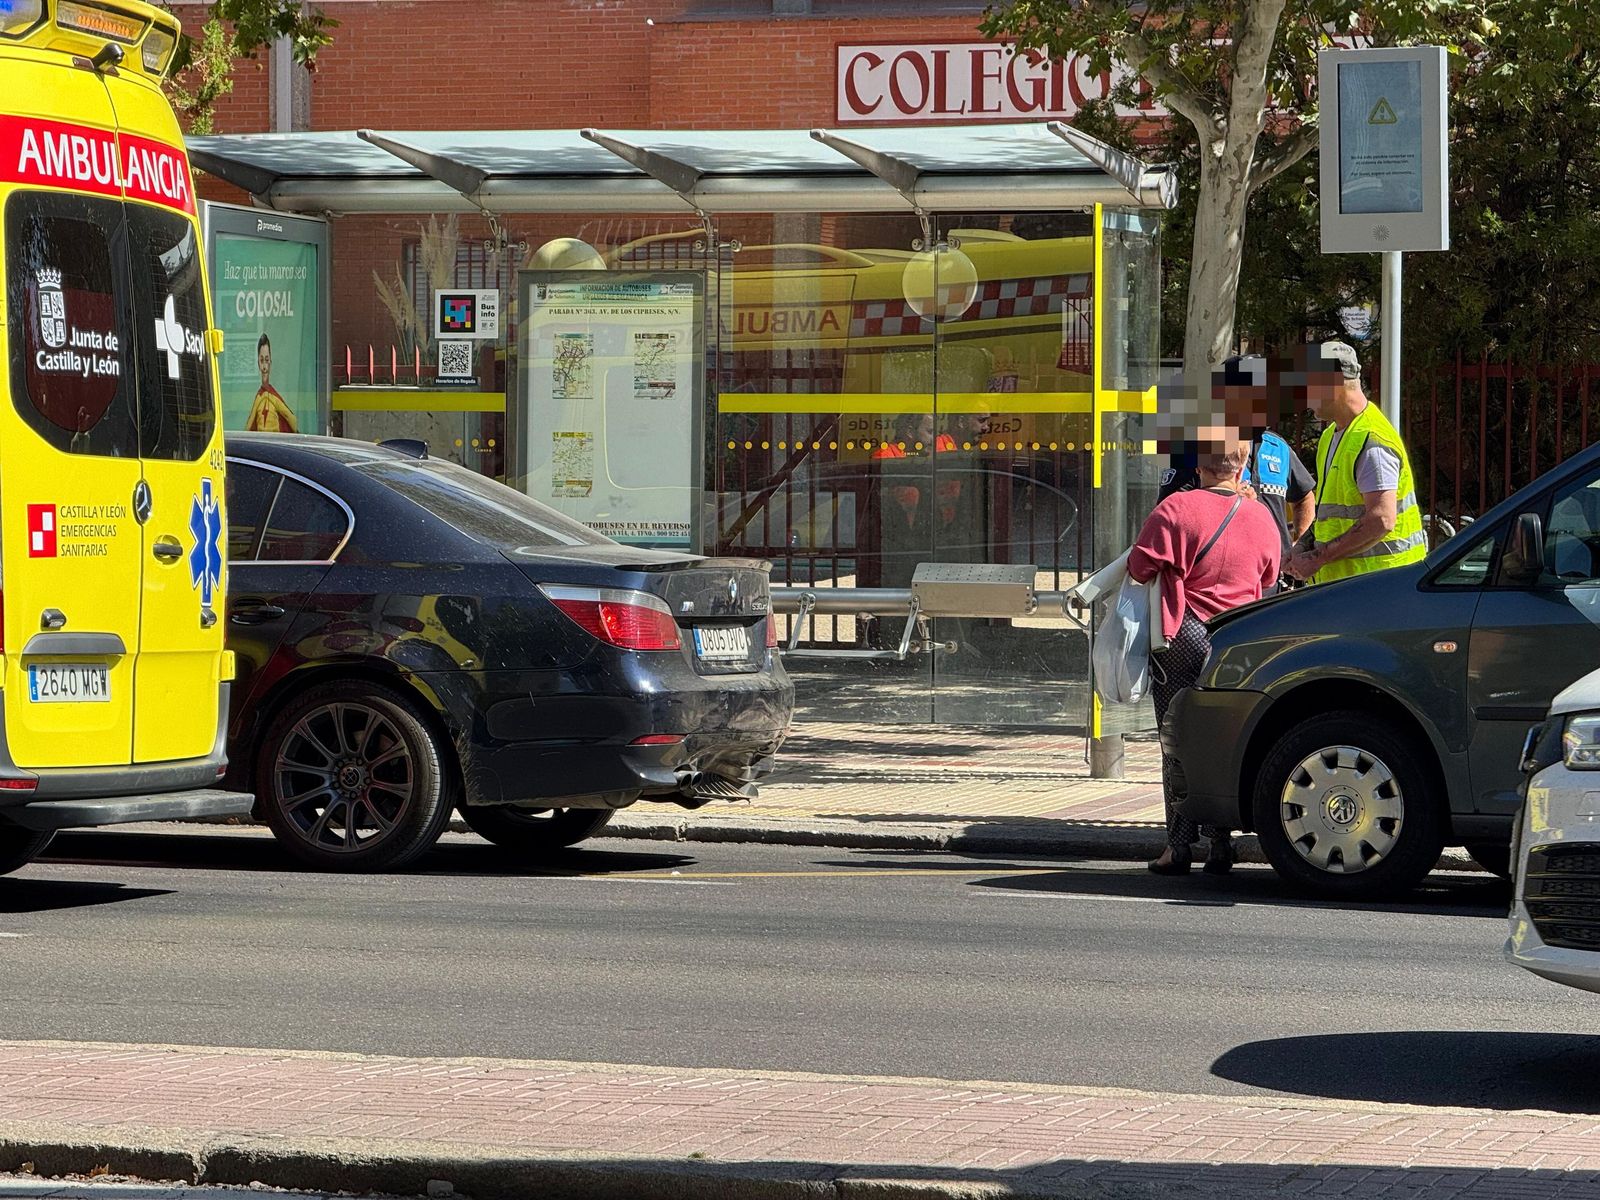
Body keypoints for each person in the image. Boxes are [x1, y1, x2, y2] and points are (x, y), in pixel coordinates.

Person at [1129, 442, 1283, 875]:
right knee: (1225, 739)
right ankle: (1220, 844)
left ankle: (1177, 846)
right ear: (1243, 465)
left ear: (1197, 464)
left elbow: (1140, 568)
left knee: (1174, 740)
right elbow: (1270, 577)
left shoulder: (1177, 508)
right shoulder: (1263, 517)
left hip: (1186, 632)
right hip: (1237, 642)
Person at [1158, 355, 1315, 590]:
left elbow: (1304, 496)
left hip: (1275, 586)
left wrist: (1298, 545)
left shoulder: (1278, 447)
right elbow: (1169, 513)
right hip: (1216, 589)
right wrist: (1226, 499)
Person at [1283, 340, 1425, 585]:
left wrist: (1317, 557)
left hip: (1381, 588)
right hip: (1351, 590)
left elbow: (1381, 519)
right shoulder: (1331, 436)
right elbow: (1330, 516)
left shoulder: (1372, 440)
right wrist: (1303, 546)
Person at [245, 333, 299, 433]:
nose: (264, 366)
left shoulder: (274, 398)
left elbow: (293, 421)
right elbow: (248, 427)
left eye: (267, 360)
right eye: (262, 361)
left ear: (271, 362)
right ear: (258, 363)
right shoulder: (259, 398)